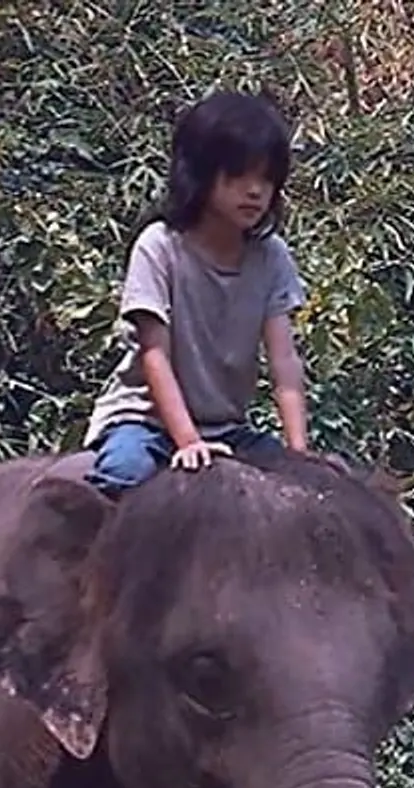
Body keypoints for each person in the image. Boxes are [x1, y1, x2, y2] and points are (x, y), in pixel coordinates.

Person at [81, 91, 311, 494]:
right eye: (239, 175)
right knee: (124, 475)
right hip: (145, 423)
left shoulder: (271, 256)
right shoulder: (160, 247)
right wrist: (188, 441)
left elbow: (284, 362)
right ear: (201, 174)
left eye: (266, 178)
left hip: (228, 428)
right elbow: (155, 354)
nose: (255, 191)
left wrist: (299, 452)